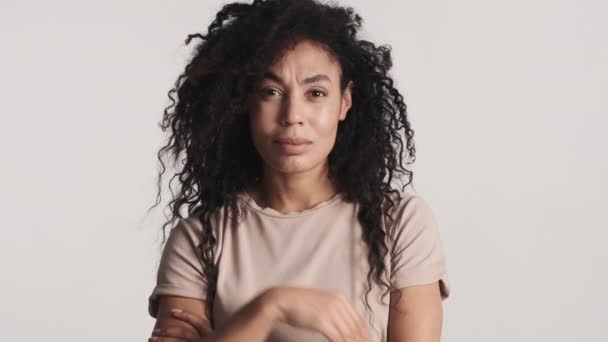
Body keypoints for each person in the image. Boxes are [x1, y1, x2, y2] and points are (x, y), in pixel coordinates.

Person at [146, 0, 451, 341]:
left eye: (316, 93)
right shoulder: (200, 238)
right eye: (271, 91)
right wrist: (271, 307)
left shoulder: (399, 223)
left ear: (344, 102)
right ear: (245, 102)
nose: (292, 114)